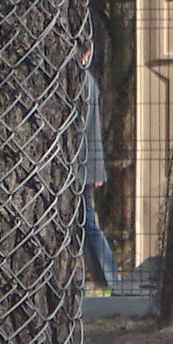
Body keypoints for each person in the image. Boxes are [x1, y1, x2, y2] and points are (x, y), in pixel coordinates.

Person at [78, 39, 117, 292]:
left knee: (88, 225)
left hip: (79, 167)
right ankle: (108, 279)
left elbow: (90, 131)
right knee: (87, 224)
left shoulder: (81, 82)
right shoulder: (86, 81)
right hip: (84, 165)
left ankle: (109, 279)